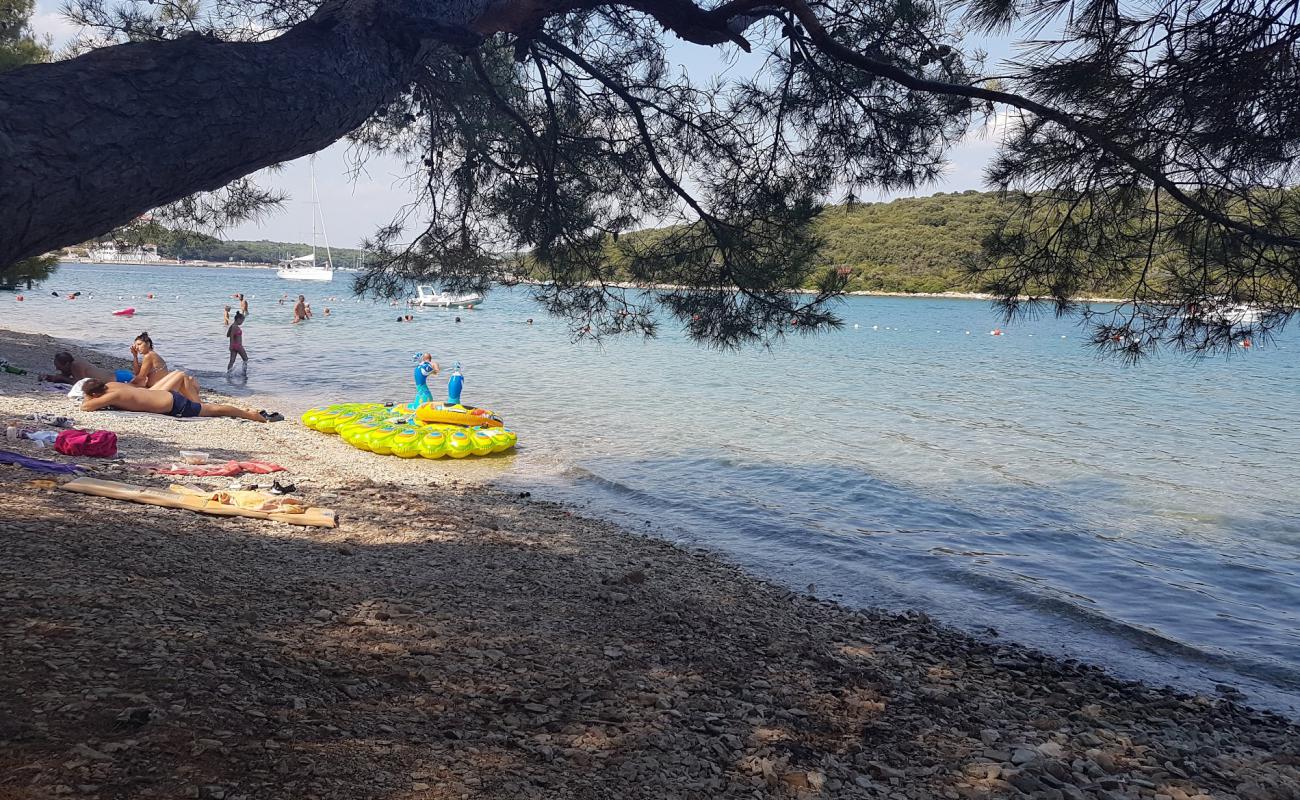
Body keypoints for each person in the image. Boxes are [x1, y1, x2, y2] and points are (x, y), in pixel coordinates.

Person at [79, 379, 272, 422]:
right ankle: (245, 412)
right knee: (211, 408)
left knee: (214, 410)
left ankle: (249, 415)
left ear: (96, 394)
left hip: (174, 406)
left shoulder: (111, 396)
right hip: (167, 396)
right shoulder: (112, 385)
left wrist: (89, 398)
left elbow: (86, 407)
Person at [42, 351, 119, 383]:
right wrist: (48, 377)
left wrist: (62, 378)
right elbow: (63, 376)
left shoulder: (75, 365)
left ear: (67, 364)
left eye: (59, 367)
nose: (57, 369)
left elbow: (80, 383)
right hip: (115, 376)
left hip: (118, 379)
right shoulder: (72, 365)